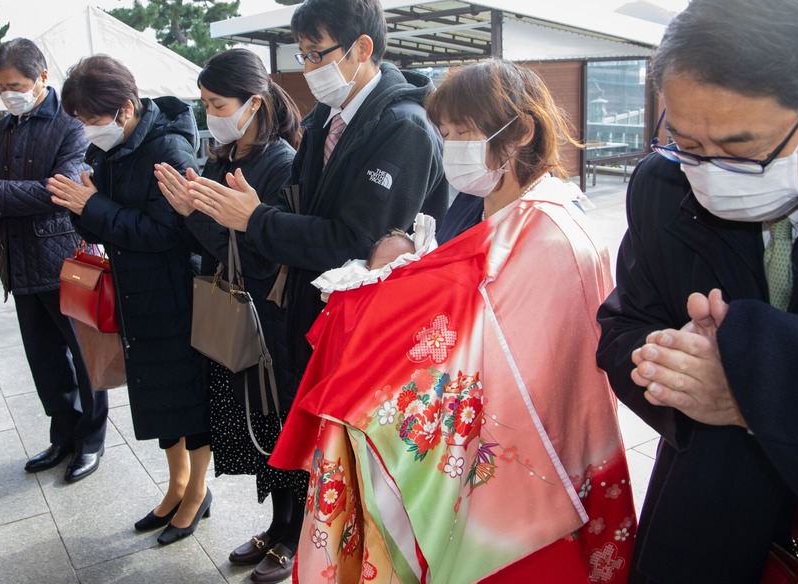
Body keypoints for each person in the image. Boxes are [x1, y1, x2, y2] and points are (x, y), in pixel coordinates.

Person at [271, 59, 636, 583]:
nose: (450, 146)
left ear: (521, 130)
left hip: (535, 445)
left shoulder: (552, 233)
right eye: (445, 133)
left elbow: (508, 351)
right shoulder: (478, 204)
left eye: (463, 132)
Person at [596, 0, 798, 583]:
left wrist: (757, 389)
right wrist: (673, 366)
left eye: (742, 151)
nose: (710, 173)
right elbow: (624, 324)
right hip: (707, 515)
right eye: (686, 141)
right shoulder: (664, 185)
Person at [186, 0, 448, 582]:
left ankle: (321, 545)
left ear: (361, 48)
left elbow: (355, 243)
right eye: (301, 56)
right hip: (305, 309)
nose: (307, 70)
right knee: (293, 426)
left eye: (316, 54)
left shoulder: (404, 128)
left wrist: (255, 219)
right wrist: (255, 212)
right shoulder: (328, 115)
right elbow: (304, 211)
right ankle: (290, 529)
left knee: (341, 447)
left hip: (365, 328)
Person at [154, 48, 308, 583]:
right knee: (261, 427)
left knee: (283, 424)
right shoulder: (223, 155)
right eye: (206, 103)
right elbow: (218, 244)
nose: (210, 114)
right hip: (240, 315)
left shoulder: (281, 161)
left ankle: (296, 535)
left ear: (254, 103)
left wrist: (196, 215)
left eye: (218, 103)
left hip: (272, 319)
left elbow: (262, 255)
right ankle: (276, 524)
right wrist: (187, 212)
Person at [44, 55, 210, 545]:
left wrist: (92, 205)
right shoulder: (109, 149)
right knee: (157, 397)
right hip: (136, 292)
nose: (89, 132)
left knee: (187, 398)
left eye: (93, 120)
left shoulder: (169, 149)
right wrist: (83, 206)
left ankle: (198, 491)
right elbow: (101, 217)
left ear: (126, 108)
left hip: (175, 293)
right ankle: (176, 483)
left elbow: (164, 232)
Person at [0, 38, 108, 483]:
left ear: (42, 78)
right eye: (0, 86)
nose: (7, 93)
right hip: (17, 262)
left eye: (15, 84)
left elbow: (60, 192)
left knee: (84, 356)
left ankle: (91, 441)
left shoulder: (71, 125)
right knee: (44, 360)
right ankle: (64, 434)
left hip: (65, 259)